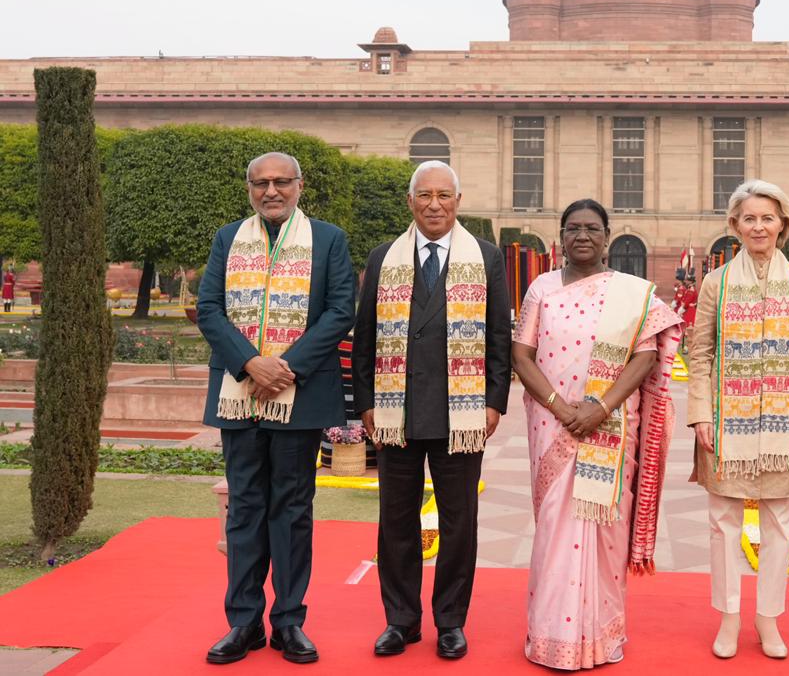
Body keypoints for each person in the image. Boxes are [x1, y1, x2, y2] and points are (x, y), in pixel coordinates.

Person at [198, 152, 356, 665]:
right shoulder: (227, 238)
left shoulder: (328, 239)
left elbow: (340, 311)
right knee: (244, 509)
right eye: (260, 183)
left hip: (301, 395)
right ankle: (243, 623)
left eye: (281, 182)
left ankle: (289, 621)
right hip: (239, 393)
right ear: (248, 189)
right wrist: (251, 364)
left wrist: (283, 367)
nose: (271, 191)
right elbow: (209, 309)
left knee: (291, 509)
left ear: (299, 186)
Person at [512, 199, 683, 669]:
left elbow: (644, 357)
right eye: (572, 228)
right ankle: (549, 636)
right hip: (552, 424)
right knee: (553, 530)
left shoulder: (630, 292)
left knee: (607, 529)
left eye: (591, 228)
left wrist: (600, 408)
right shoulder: (541, 288)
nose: (581, 236)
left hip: (609, 425)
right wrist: (561, 407)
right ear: (560, 236)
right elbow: (522, 355)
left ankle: (602, 637)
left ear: (607, 236)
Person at [351, 160, 511, 661]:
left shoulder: (484, 257)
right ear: (411, 202)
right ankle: (400, 620)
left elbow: (498, 336)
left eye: (444, 195)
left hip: (459, 415)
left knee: (458, 521)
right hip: (396, 413)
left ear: (458, 202)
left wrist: (492, 401)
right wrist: (367, 403)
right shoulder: (383, 258)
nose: (435, 204)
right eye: (425, 195)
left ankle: (450, 621)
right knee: (394, 520)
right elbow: (365, 338)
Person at [686, 179, 789, 661]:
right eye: (749, 218)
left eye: (768, 217)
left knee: (779, 524)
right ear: (735, 226)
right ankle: (728, 617)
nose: (759, 226)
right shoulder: (716, 282)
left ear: (782, 225)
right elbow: (700, 351)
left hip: (787, 423)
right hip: (727, 421)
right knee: (723, 523)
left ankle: (768, 619)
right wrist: (701, 414)